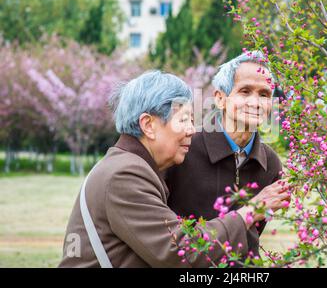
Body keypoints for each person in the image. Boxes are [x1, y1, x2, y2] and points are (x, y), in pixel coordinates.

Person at [59, 70, 289, 268]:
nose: (191, 130)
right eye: (184, 119)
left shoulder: (131, 165)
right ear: (148, 125)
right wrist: (249, 212)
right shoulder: (125, 175)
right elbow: (178, 250)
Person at [165, 51, 286, 258]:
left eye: (264, 94)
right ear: (220, 99)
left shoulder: (271, 164)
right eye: (245, 91)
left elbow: (255, 232)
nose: (255, 103)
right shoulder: (184, 149)